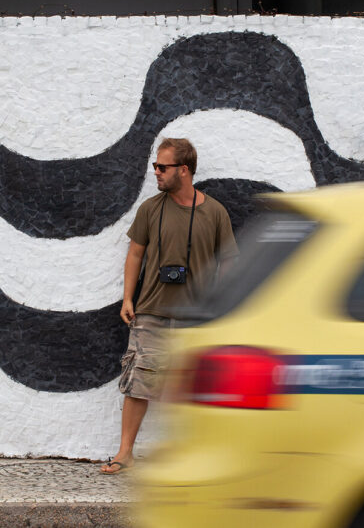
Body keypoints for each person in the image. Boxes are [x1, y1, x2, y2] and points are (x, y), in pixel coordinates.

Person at [101, 138, 239, 475]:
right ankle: (125, 454)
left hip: (198, 319)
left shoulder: (215, 212)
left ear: (184, 170)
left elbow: (229, 262)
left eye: (162, 167)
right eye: (155, 167)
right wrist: (128, 298)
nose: (157, 173)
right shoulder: (150, 208)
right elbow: (135, 253)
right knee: (138, 384)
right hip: (151, 312)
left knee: (199, 389)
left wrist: (220, 305)